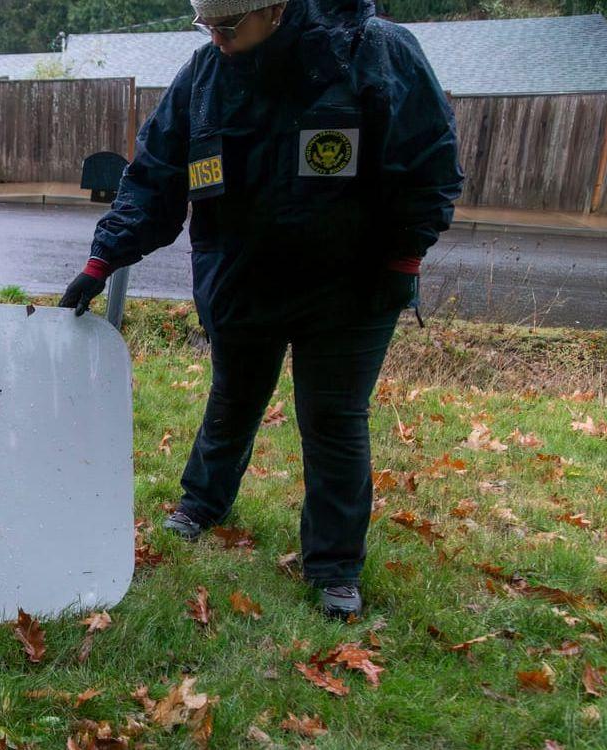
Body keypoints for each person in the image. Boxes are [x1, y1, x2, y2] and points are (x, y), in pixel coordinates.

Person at [59, 0, 461, 618]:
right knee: (234, 396)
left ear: (274, 8)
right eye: (207, 27)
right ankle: (202, 505)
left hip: (349, 288)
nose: (217, 40)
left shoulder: (373, 52)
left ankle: (333, 568)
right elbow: (157, 177)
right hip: (243, 280)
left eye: (228, 27)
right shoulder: (204, 78)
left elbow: (430, 161)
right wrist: (102, 259)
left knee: (332, 420)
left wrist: (405, 257)